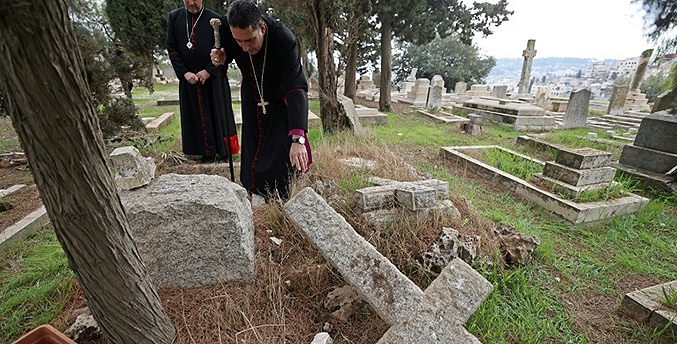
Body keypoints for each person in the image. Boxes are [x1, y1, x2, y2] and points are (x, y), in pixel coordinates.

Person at [211, 0, 311, 199]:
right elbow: (224, 57)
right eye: (239, 42)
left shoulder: (284, 39)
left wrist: (298, 137)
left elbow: (296, 87)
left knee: (279, 151)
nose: (245, 47)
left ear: (262, 28)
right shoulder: (226, 28)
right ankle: (252, 190)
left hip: (279, 95)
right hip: (251, 93)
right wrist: (220, 60)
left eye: (249, 40)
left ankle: (280, 195)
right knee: (252, 147)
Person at [166, 0, 239, 161]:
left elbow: (225, 51)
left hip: (213, 79)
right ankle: (205, 153)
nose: (191, 3)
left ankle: (224, 152)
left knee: (219, 114)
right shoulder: (174, 17)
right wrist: (184, 73)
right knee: (195, 117)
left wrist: (209, 70)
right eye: (187, 0)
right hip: (189, 80)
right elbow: (171, 48)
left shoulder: (215, 20)